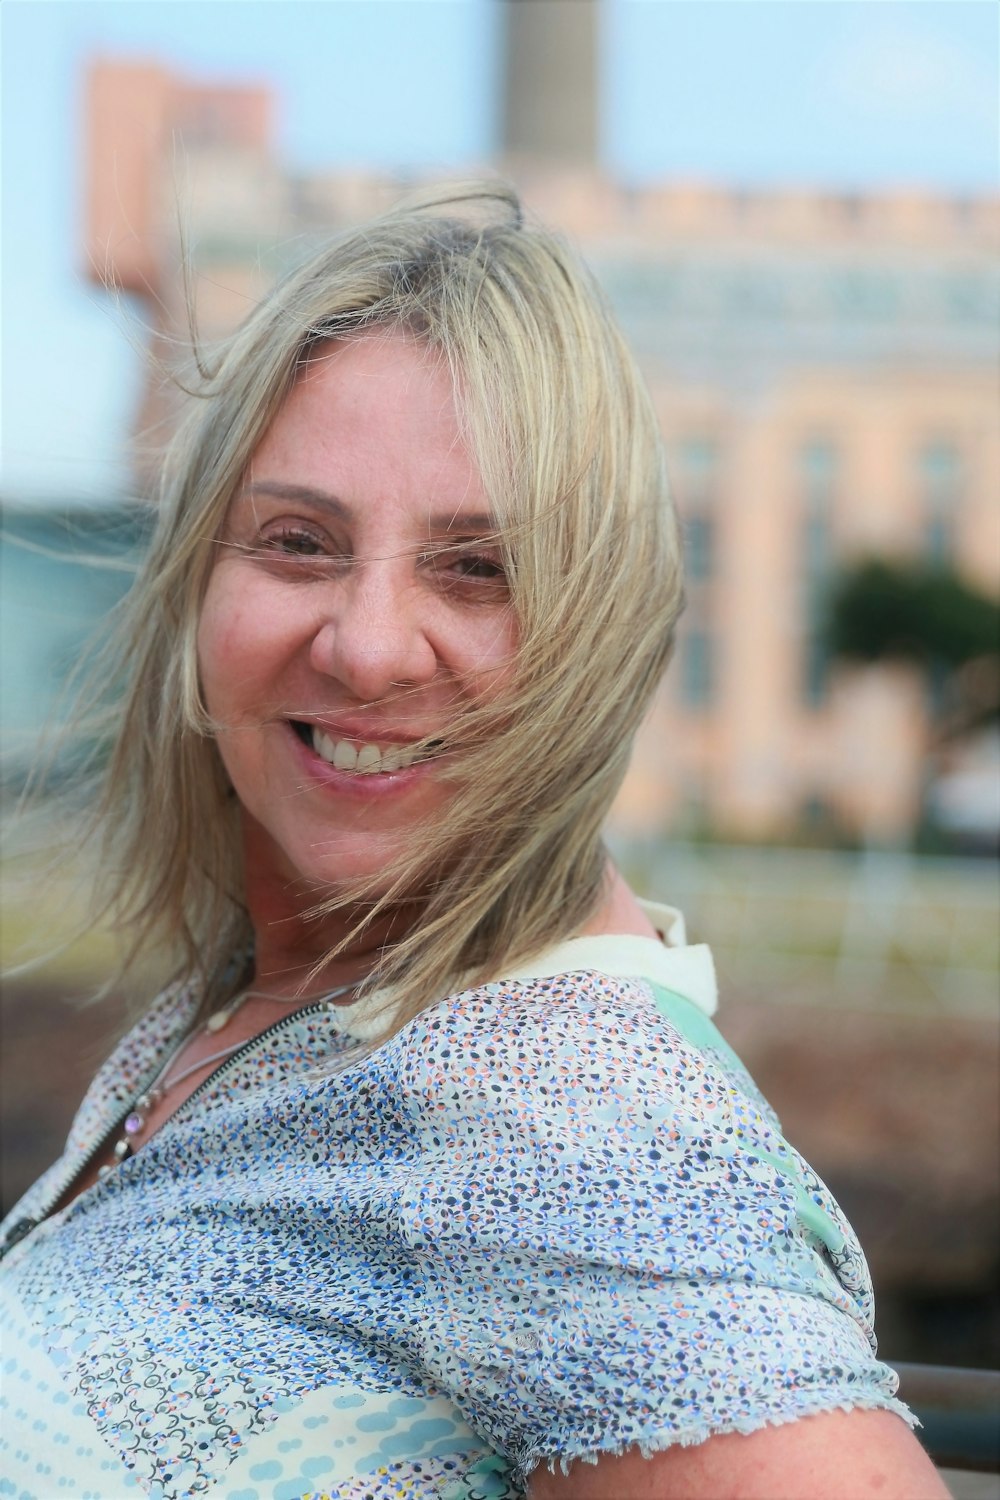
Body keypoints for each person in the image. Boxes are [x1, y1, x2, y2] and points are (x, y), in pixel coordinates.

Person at [0, 183, 946, 1500]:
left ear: (597, 628)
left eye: (477, 568)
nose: (369, 643)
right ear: (199, 584)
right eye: (297, 542)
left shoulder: (565, 1125)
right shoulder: (262, 995)